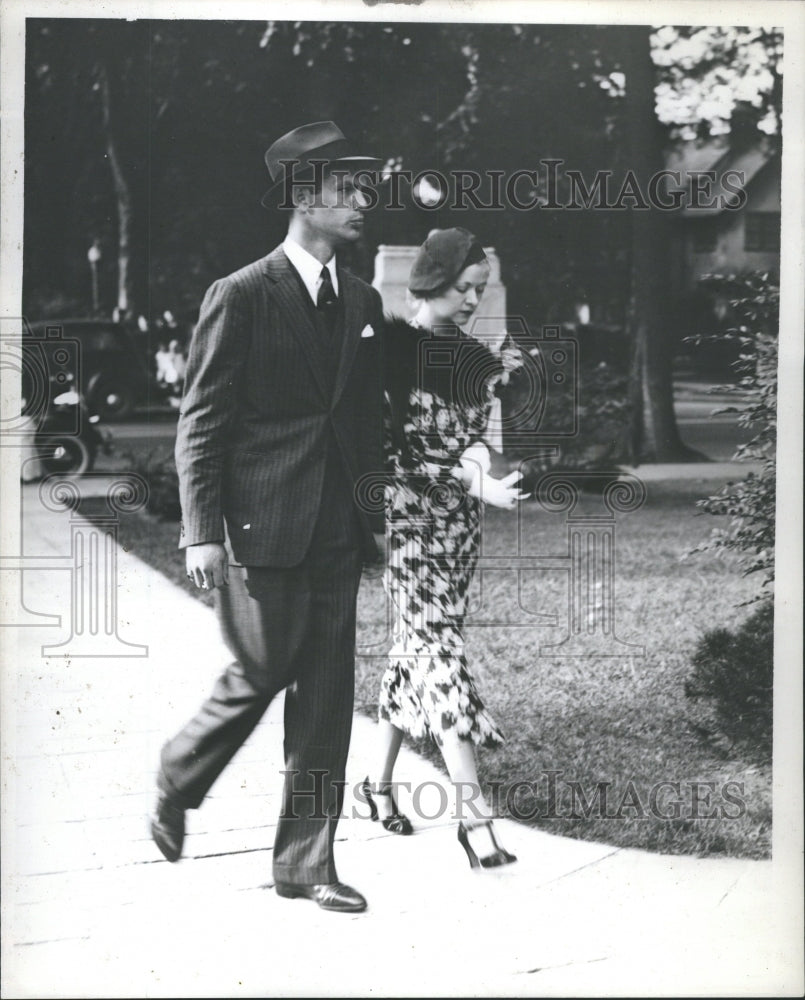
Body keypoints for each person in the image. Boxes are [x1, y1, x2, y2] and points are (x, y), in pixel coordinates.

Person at [149, 121, 385, 914]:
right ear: (303, 196)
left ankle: (307, 864)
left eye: (365, 186)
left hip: (336, 535)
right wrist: (200, 530)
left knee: (323, 698)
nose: (364, 200)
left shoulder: (362, 300)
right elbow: (203, 421)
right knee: (260, 671)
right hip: (258, 530)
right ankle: (179, 776)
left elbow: (362, 418)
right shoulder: (241, 294)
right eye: (348, 187)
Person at [363, 227, 526, 869]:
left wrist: (485, 471)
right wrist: (468, 477)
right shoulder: (386, 352)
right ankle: (473, 815)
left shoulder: (470, 359)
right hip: (411, 525)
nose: (472, 301)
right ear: (432, 281)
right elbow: (390, 454)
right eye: (464, 288)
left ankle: (376, 786)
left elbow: (473, 439)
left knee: (416, 651)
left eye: (480, 291)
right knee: (441, 652)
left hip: (460, 531)